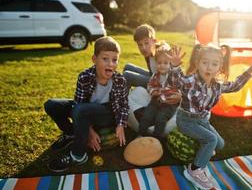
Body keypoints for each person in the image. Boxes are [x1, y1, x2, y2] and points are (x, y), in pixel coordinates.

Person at [171, 44, 252, 190]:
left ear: (220, 67)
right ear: (198, 63)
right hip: (186, 120)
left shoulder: (217, 85)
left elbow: (235, 86)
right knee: (210, 139)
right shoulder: (190, 81)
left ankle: (202, 150)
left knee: (220, 144)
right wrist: (174, 67)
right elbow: (176, 82)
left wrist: (249, 71)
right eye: (204, 62)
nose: (209, 67)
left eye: (214, 64)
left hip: (203, 120)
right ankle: (194, 169)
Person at [44, 36, 129, 172]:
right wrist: (89, 131)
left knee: (81, 110)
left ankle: (78, 155)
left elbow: (124, 105)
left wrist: (120, 124)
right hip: (85, 110)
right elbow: (78, 104)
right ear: (94, 60)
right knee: (51, 105)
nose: (111, 64)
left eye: (114, 60)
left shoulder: (120, 80)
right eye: (105, 59)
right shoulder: (85, 76)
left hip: (106, 114)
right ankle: (72, 133)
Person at [123, 23, 181, 120]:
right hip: (154, 76)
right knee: (127, 67)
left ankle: (122, 108)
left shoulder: (161, 51)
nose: (143, 48)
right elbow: (152, 72)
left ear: (154, 41)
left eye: (146, 43)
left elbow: (174, 75)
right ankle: (125, 97)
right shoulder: (148, 53)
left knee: (127, 75)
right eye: (140, 45)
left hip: (161, 84)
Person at [138, 43, 181, 138]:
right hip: (156, 100)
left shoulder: (173, 74)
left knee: (160, 118)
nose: (162, 66)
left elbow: (179, 82)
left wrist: (176, 67)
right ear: (156, 63)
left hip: (169, 103)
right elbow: (150, 85)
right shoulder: (156, 75)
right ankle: (141, 135)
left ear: (171, 63)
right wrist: (153, 91)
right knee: (146, 115)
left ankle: (156, 138)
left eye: (166, 63)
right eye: (159, 63)